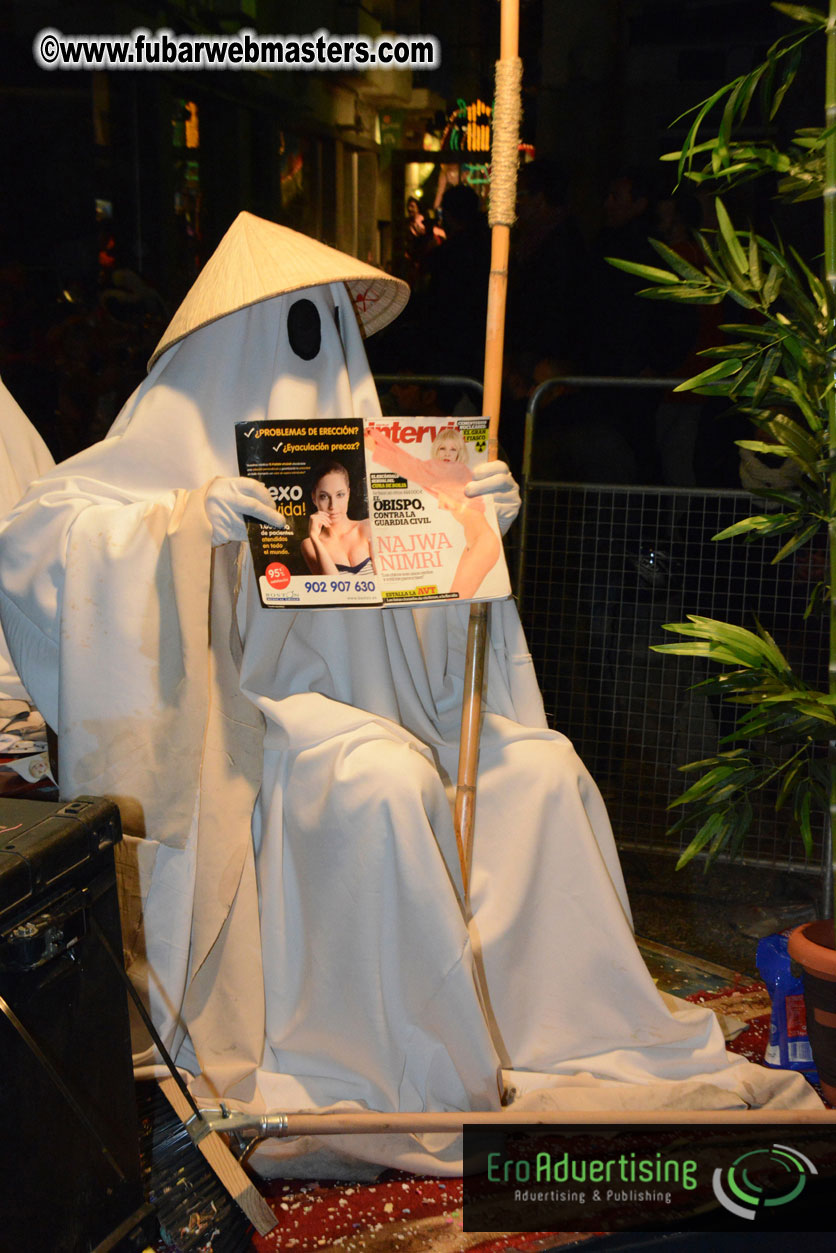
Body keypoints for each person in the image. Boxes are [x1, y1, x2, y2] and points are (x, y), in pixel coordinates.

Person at [0, 214, 819, 1180]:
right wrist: (186, 529)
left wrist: (475, 530)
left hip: (394, 706)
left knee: (542, 770)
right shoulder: (135, 471)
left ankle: (553, 1032)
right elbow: (46, 546)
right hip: (251, 736)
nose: (319, 353)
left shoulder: (374, 460)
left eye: (331, 329)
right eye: (295, 326)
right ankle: (410, 1066)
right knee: (379, 779)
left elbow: (428, 623)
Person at [365, 425, 501, 599]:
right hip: (475, 543)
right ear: (436, 449)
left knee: (455, 601)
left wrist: (375, 448)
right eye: (443, 448)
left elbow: (414, 469)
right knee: (454, 601)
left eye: (453, 450)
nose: (447, 453)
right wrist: (379, 441)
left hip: (483, 542)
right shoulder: (444, 473)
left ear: (460, 453)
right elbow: (413, 463)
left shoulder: (454, 471)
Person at [301, 459, 373, 576]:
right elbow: (331, 588)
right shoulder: (310, 544)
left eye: (340, 495)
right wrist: (314, 537)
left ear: (348, 494)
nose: (332, 506)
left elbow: (384, 582)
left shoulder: (368, 527)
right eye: (324, 496)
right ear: (314, 498)